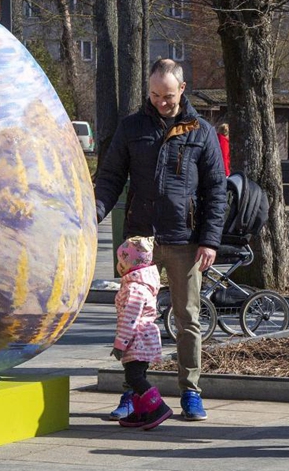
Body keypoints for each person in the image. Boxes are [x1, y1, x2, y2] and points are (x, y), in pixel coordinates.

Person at [95, 58, 227, 421]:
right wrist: (93, 214)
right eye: (154, 94)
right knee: (133, 318)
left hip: (186, 240)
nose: (160, 102)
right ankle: (133, 390)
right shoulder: (131, 128)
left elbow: (217, 190)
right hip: (140, 243)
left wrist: (210, 240)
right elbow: (109, 178)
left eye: (167, 95)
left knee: (187, 318)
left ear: (182, 89)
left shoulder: (202, 131)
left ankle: (191, 392)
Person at [109, 236, 173, 430]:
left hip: (137, 339)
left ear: (129, 262)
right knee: (138, 376)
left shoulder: (134, 288)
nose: (119, 265)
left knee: (134, 378)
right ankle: (141, 411)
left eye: (121, 261)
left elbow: (130, 318)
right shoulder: (141, 283)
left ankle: (158, 407)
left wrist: (120, 344)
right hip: (143, 338)